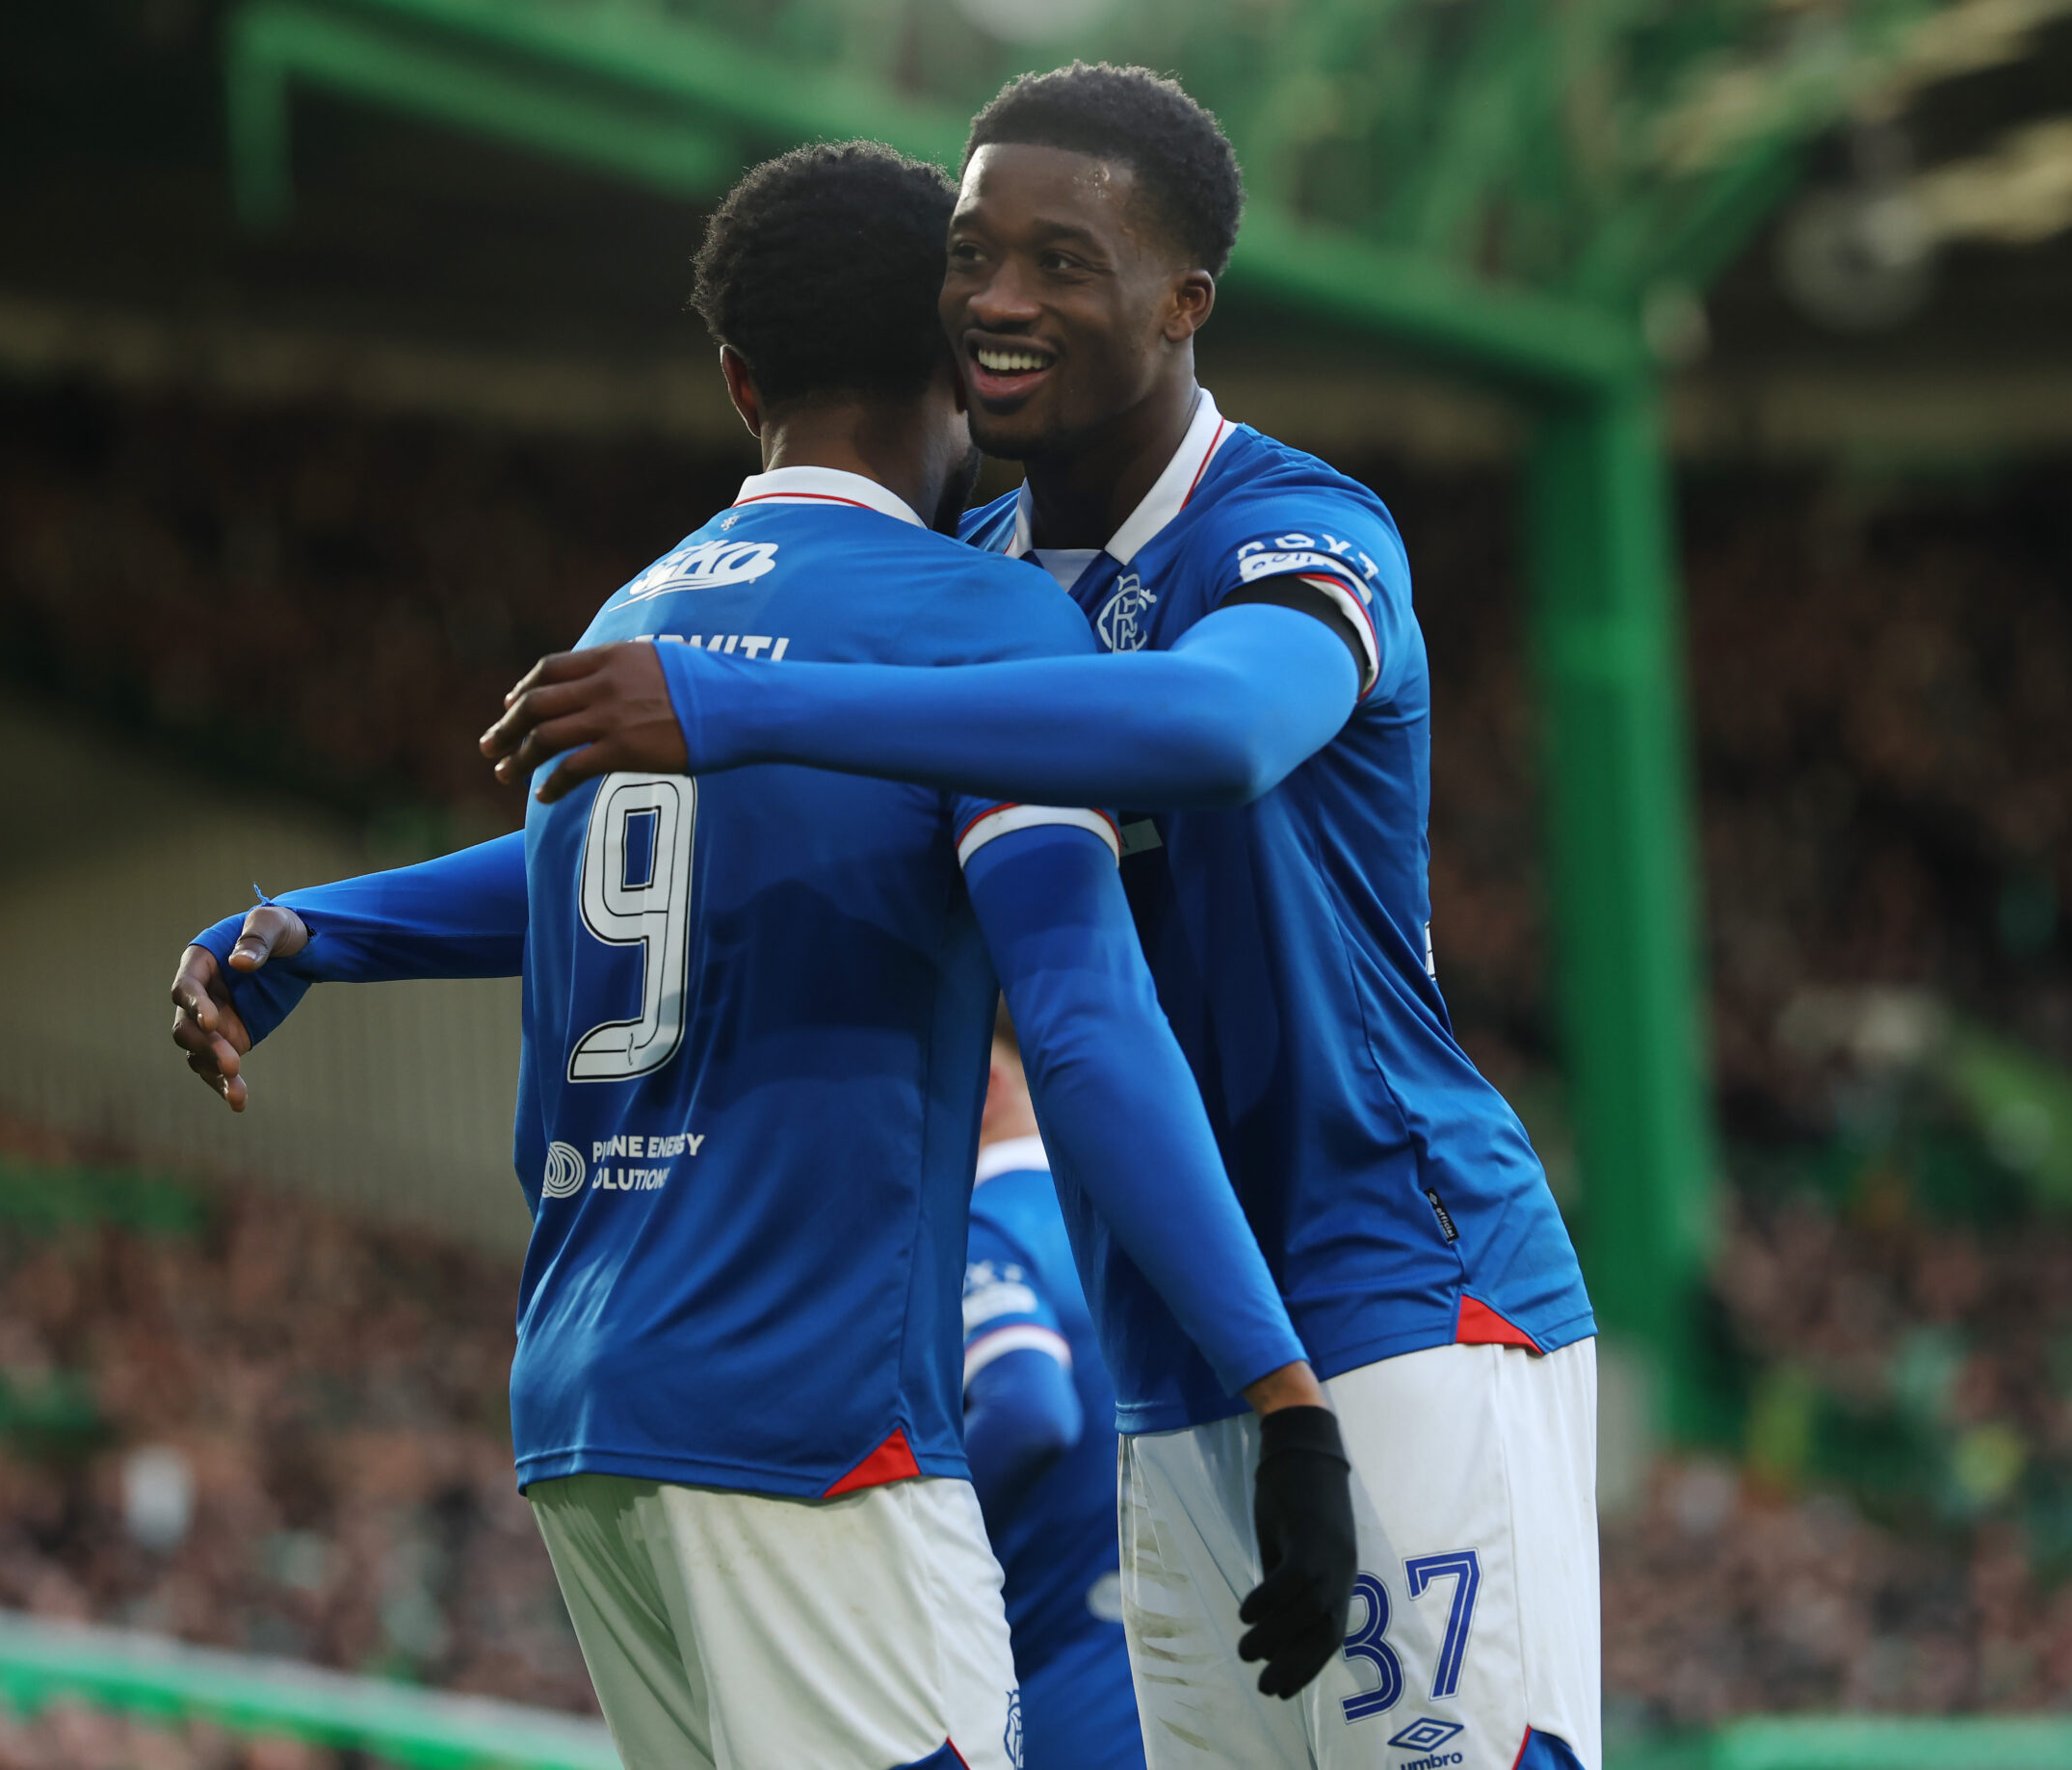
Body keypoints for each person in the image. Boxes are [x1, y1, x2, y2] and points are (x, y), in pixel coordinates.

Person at [167, 141, 1356, 1770]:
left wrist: (314, 926)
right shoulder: (972, 624)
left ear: (739, 382)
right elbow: (1080, 1027)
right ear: (967, 354)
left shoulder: (627, 626)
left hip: (587, 1405)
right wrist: (1281, 1385)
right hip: (810, 1419)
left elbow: (594, 867)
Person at [485, 66, 1602, 1770]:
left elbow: (1213, 732)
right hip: (1167, 1338)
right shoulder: (991, 579)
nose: (1001, 298)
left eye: (1063, 262)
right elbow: (756, 841)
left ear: (1183, 302)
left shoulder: (1297, 530)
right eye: (972, 252)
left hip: (1397, 1277)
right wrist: (320, 930)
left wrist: (738, 696)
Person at [963, 1009, 1143, 1770]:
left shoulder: (986, 1223)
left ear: (986, 1089)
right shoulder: (1148, 1220)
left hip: (1059, 1662)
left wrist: (909, 1539)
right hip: (1188, 1650)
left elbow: (1026, 1409)